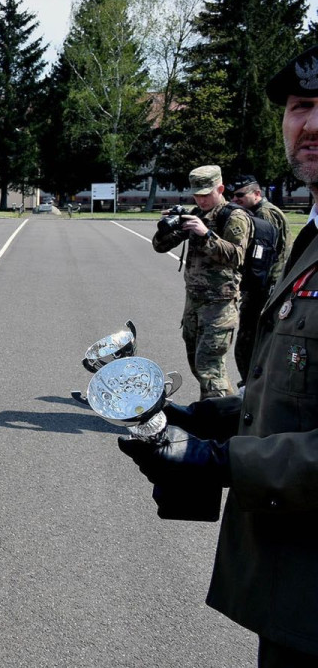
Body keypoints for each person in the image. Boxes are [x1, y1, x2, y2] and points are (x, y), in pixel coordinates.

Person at [119, 44, 318, 665]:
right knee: (206, 388)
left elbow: (244, 262)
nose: (310, 123)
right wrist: (214, 419)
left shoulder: (243, 220)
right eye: (300, 106)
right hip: (291, 583)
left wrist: (221, 460)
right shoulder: (314, 235)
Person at [152, 165, 250, 400]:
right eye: (197, 195)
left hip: (220, 304)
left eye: (206, 194)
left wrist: (206, 234)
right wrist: (167, 228)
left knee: (210, 368)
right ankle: (221, 410)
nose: (201, 200)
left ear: (221, 189)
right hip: (194, 301)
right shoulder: (196, 214)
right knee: (197, 364)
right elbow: (160, 247)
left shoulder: (234, 216)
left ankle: (219, 418)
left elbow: (237, 256)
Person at [228, 174, 292, 383]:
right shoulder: (259, 212)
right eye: (232, 195)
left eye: (240, 195)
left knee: (248, 341)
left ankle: (251, 387)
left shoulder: (264, 214)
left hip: (264, 287)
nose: (235, 199)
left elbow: (261, 257)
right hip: (265, 285)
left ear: (256, 193)